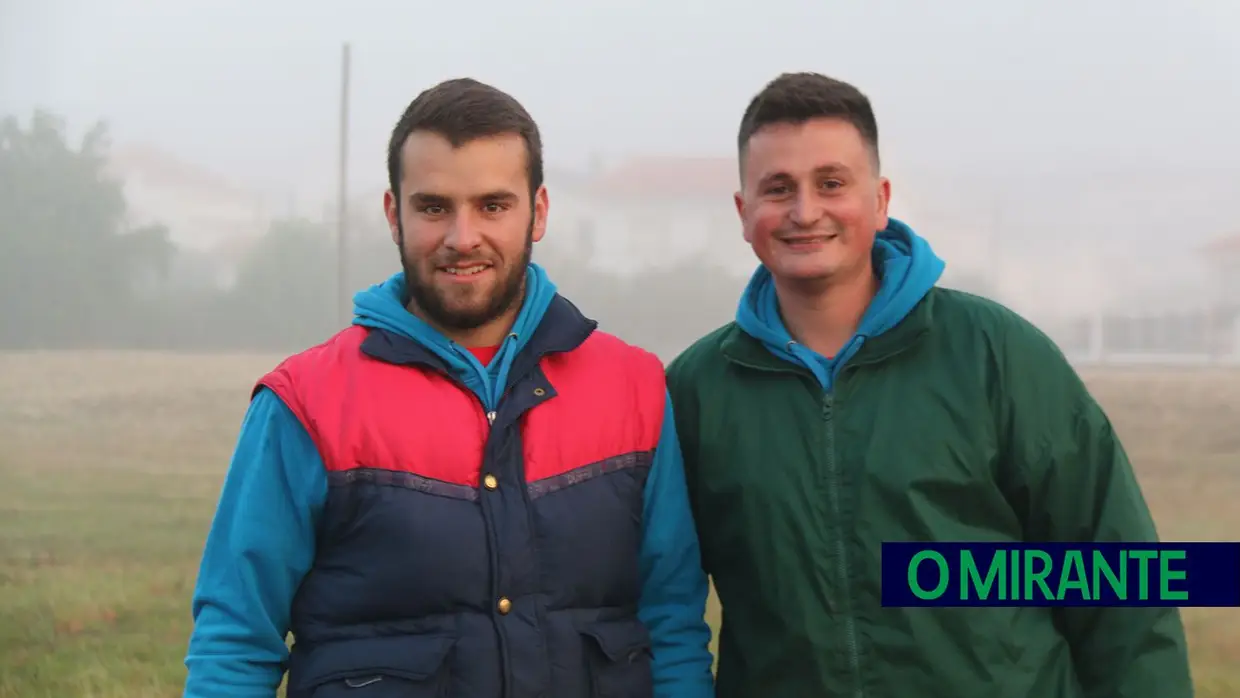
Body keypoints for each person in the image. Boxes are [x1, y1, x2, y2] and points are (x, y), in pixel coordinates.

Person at [665, 71, 1194, 698]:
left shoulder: (997, 353)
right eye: (779, 188)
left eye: (831, 183)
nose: (806, 211)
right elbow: (659, 601)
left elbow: (1119, 583)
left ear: (881, 198)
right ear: (743, 211)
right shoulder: (695, 391)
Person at [182, 77, 716, 698]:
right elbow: (236, 642)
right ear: (394, 214)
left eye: (493, 205)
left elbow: (674, 629)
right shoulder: (304, 403)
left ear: (538, 212)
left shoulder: (635, 390)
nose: (463, 237)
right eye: (434, 207)